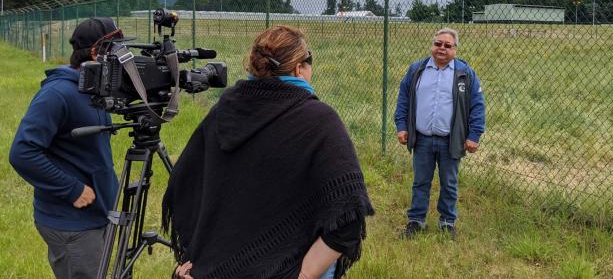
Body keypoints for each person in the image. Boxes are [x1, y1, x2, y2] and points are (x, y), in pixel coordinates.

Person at [162, 25, 374, 279]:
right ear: (299, 68)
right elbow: (347, 218)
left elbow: (185, 187)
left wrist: (195, 257)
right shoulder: (320, 121)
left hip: (216, 267)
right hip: (285, 267)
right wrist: (304, 275)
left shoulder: (224, 110)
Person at [9, 18, 120, 278]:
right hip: (72, 223)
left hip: (97, 214)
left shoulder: (93, 90)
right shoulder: (58, 93)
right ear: (96, 52)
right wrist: (72, 189)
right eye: (115, 49)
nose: (121, 56)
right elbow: (22, 152)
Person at [394, 27, 485, 240]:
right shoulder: (417, 70)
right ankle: (416, 221)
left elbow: (477, 106)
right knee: (420, 182)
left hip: (451, 140)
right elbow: (403, 100)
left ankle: (447, 223)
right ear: (432, 45)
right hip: (422, 139)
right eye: (438, 44)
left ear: (455, 49)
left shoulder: (465, 74)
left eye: (447, 45)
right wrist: (401, 126)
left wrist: (474, 136)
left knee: (449, 183)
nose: (441, 49)